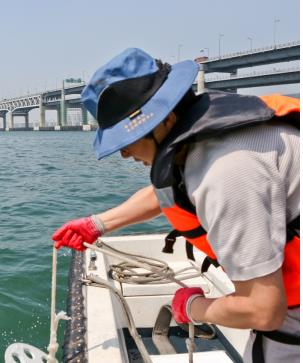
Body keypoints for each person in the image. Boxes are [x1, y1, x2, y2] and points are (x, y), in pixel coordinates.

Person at [52, 48, 300, 363]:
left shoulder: (226, 172)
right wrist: (96, 224)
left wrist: (192, 308)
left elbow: (263, 310)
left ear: (164, 118)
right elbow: (169, 194)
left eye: (128, 141)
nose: (125, 155)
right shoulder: (209, 135)